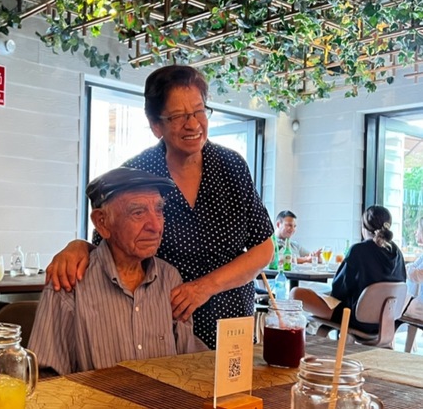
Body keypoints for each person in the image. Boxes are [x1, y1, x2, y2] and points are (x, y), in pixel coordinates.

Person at [45, 65, 274, 349]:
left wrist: (203, 288)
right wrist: (77, 246)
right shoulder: (138, 173)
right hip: (161, 328)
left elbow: (263, 248)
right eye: (178, 116)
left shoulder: (231, 166)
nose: (192, 124)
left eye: (199, 111)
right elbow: (108, 246)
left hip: (231, 324)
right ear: (156, 126)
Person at [28, 167, 207, 375]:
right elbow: (45, 378)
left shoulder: (169, 278)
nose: (156, 226)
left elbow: (188, 365)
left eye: (158, 210)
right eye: (138, 213)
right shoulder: (70, 282)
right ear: (102, 222)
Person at [290, 205, 406, 333]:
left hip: (355, 318)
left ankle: (296, 334)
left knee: (296, 293)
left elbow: (339, 291)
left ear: (364, 228)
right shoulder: (398, 253)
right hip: (386, 321)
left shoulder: (358, 250)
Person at [403, 217, 423, 320]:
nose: (415, 232)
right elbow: (412, 269)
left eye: (418, 228)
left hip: (420, 308)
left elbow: (415, 275)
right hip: (419, 304)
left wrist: (410, 269)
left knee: (390, 304)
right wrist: (410, 269)